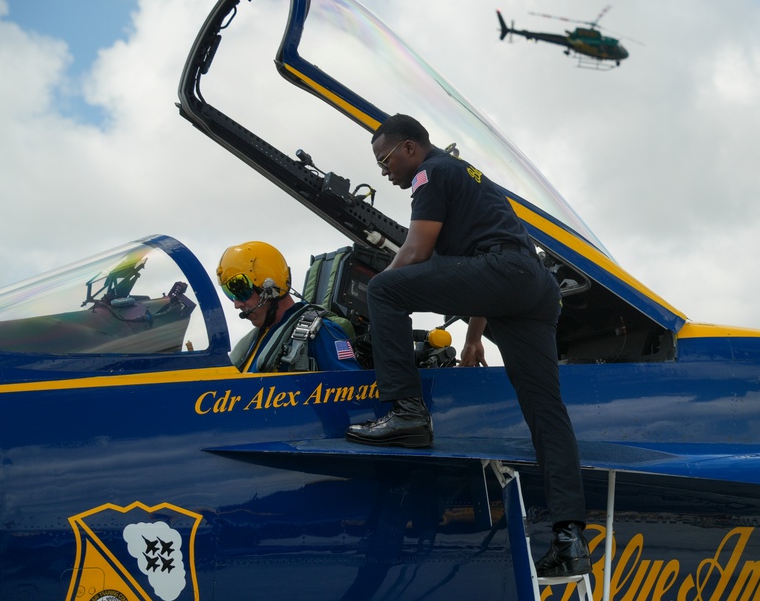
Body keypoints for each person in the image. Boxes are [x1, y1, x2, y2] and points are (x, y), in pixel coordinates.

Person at [344, 114, 590, 577]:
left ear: (411, 148)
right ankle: (570, 539)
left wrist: (376, 306)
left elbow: (416, 252)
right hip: (533, 288)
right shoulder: (468, 176)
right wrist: (474, 336)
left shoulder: (429, 173)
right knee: (546, 412)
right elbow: (489, 255)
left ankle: (407, 414)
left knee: (383, 289)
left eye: (385, 160)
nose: (384, 172)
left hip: (504, 275)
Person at [216, 241, 360, 373]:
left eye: (240, 291)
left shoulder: (321, 333)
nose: (237, 304)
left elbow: (353, 392)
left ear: (269, 286)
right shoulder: (253, 343)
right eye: (230, 294)